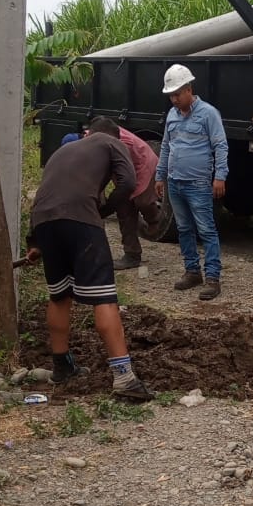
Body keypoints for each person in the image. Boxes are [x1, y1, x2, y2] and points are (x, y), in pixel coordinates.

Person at [26, 131, 154, 400]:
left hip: (43, 221)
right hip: (81, 219)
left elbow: (44, 194)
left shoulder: (62, 152)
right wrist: (102, 211)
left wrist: (35, 242)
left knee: (59, 296)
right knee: (104, 298)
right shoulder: (111, 141)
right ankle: (124, 379)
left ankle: (62, 368)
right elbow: (128, 182)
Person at [155, 64, 229, 301]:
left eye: (177, 94)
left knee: (206, 229)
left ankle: (213, 278)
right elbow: (166, 146)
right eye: (171, 95)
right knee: (184, 229)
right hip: (175, 182)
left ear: (189, 89)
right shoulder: (172, 115)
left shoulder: (208, 114)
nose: (174, 99)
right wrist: (160, 175)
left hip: (198, 183)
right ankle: (192, 271)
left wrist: (220, 176)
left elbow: (220, 145)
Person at [86, 117, 160, 270]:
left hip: (143, 164)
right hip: (123, 172)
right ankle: (132, 254)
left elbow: (125, 180)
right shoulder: (90, 139)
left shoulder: (122, 144)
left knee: (142, 201)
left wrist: (107, 206)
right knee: (124, 211)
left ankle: (155, 220)